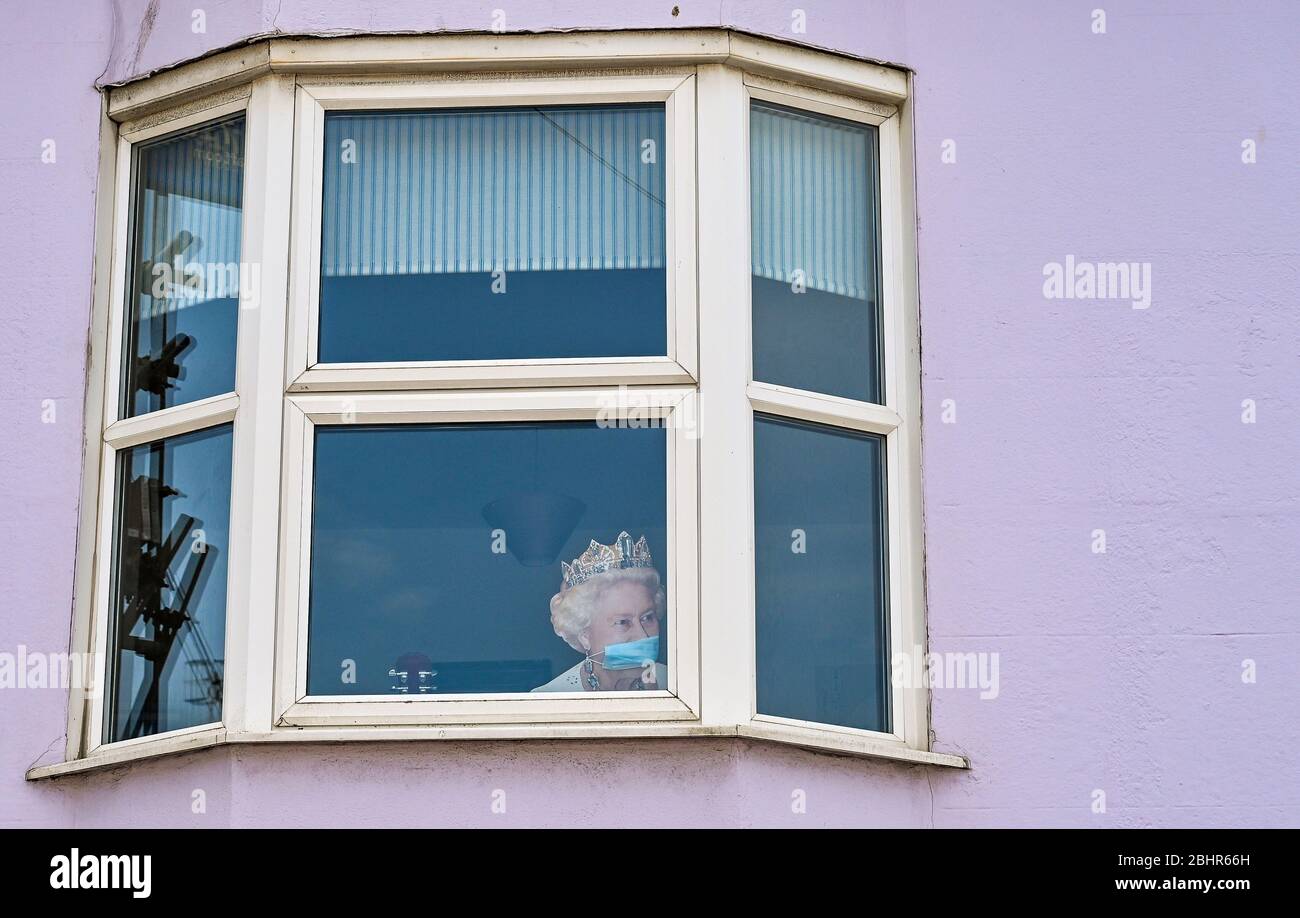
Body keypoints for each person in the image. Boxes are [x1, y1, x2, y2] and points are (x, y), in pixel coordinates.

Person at [532, 531, 667, 692]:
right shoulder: (551, 699)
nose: (642, 635)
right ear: (585, 636)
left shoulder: (679, 687)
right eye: (622, 622)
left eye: (647, 618)